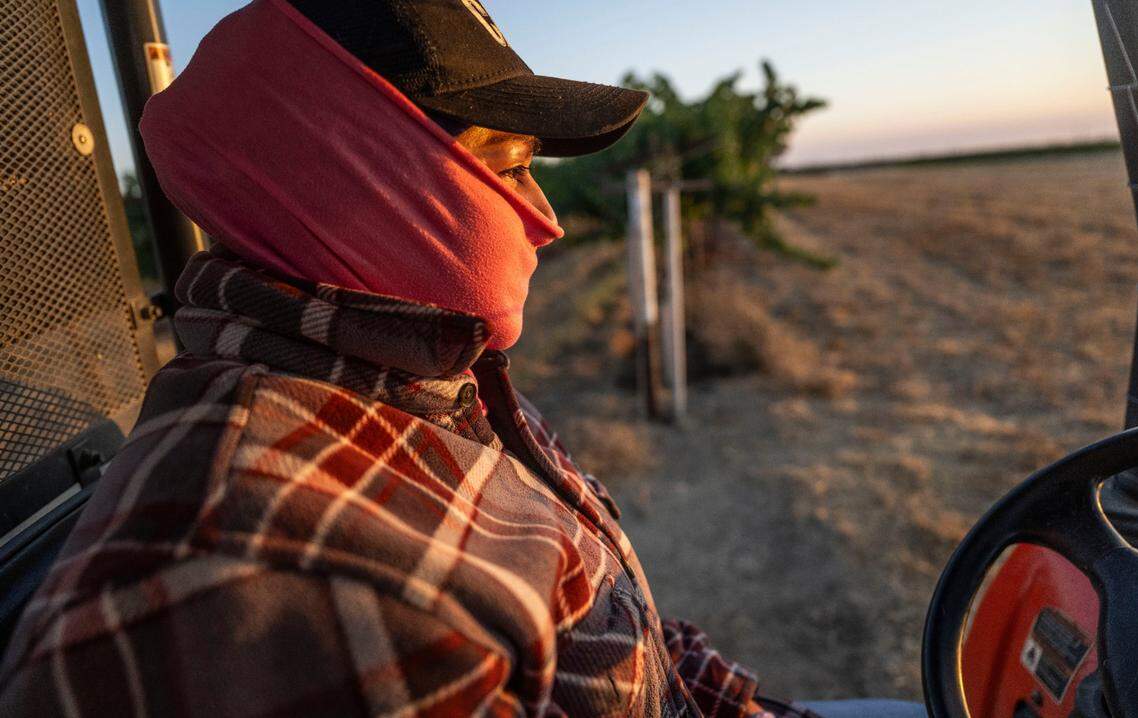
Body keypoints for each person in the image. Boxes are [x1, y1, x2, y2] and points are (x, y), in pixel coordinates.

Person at [0, 1, 925, 716]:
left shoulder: (429, 377)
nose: (548, 221)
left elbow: (628, 635)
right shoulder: (258, 582)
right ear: (338, 169)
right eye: (509, 163)